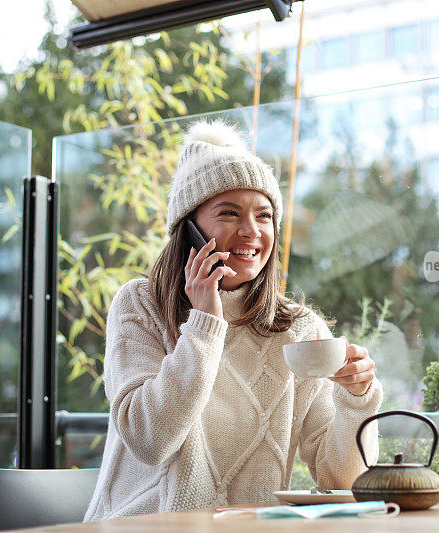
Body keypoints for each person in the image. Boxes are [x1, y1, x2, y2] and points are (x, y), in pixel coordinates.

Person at [84, 120, 382, 521]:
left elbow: (343, 481)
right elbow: (149, 440)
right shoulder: (139, 304)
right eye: (229, 213)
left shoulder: (300, 331)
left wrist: (356, 402)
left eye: (264, 216)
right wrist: (204, 322)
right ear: (187, 229)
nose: (251, 232)